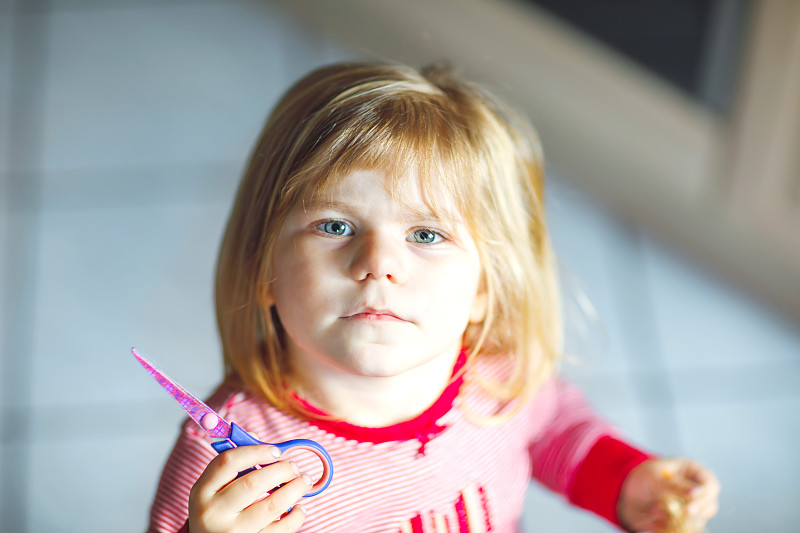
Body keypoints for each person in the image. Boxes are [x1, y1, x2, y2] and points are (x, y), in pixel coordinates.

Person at [148, 62, 719, 533]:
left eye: (426, 235)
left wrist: (627, 482)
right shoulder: (227, 462)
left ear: (484, 287)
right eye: (335, 226)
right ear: (263, 268)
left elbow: (554, 429)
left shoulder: (495, 380)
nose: (377, 264)